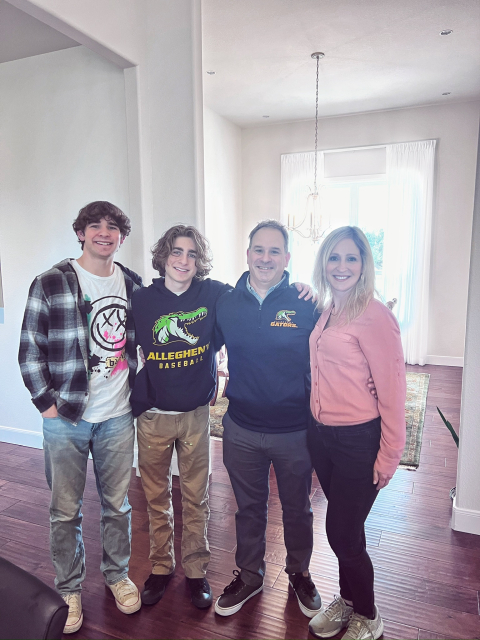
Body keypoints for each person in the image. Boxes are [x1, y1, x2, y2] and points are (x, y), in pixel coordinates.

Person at [130, 224, 313, 610]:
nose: (184, 260)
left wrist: (306, 288)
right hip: (163, 418)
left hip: (207, 416)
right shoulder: (145, 298)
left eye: (192, 254)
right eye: (176, 252)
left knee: (202, 499)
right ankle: (167, 568)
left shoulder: (218, 295)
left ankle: (202, 572)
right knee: (160, 499)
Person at [18, 201, 143, 634]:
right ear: (81, 233)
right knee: (64, 510)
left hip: (118, 415)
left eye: (113, 227)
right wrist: (48, 407)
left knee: (117, 506)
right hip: (66, 418)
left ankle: (117, 575)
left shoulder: (133, 283)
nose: (104, 233)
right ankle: (69, 588)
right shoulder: (50, 281)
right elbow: (29, 351)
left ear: (121, 237)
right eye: (95, 226)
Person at [214, 220, 323, 619]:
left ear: (287, 258)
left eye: (274, 251)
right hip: (241, 427)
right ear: (247, 254)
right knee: (248, 508)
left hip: (294, 431)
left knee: (298, 509)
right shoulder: (226, 303)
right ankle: (250, 575)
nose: (265, 258)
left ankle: (299, 573)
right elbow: (200, 346)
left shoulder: (307, 303)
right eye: (258, 250)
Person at [307, 226, 406, 640]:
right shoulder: (328, 308)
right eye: (334, 257)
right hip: (322, 437)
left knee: (341, 532)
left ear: (364, 264)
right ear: (323, 264)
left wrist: (390, 454)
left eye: (351, 258)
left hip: (358, 441)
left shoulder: (375, 315)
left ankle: (368, 614)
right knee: (349, 528)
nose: (341, 266)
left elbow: (394, 389)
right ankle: (348, 601)